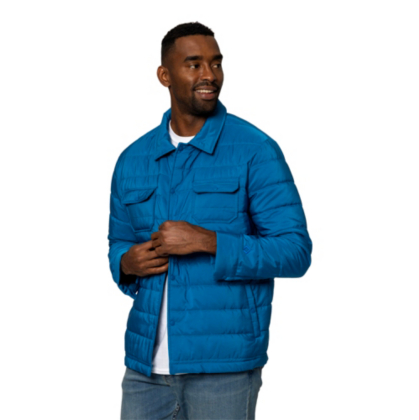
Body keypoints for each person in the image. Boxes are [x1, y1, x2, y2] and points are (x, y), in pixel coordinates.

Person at [108, 21, 312, 420]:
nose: (209, 75)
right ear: (165, 75)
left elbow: (294, 250)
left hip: (224, 369)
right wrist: (125, 263)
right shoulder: (133, 159)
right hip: (144, 371)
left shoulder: (255, 150)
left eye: (215, 63)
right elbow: (119, 241)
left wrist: (209, 241)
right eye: (194, 64)